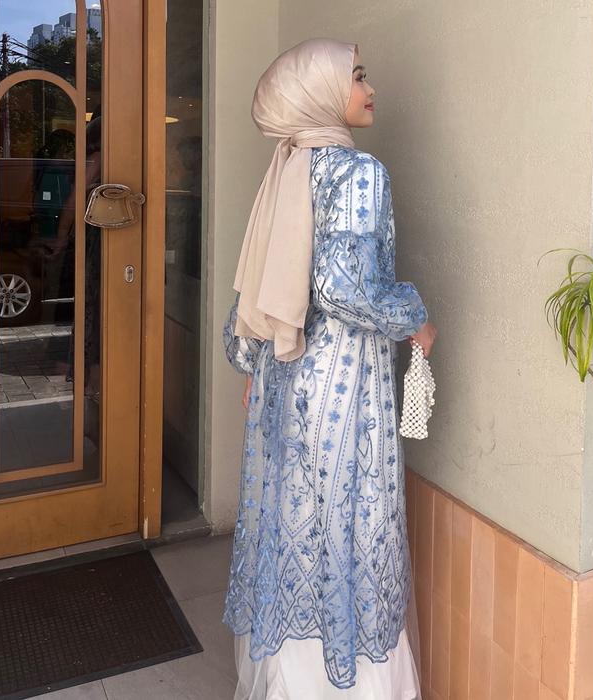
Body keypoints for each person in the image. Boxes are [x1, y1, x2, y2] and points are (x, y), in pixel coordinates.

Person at [221, 38, 437, 699]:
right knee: (351, 525)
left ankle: (296, 684)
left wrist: (254, 365)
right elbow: (345, 285)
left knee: (296, 528)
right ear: (318, 93)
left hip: (284, 380)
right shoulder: (356, 171)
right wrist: (416, 318)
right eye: (357, 77)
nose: (369, 89)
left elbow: (255, 295)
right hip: (344, 389)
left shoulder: (289, 169)